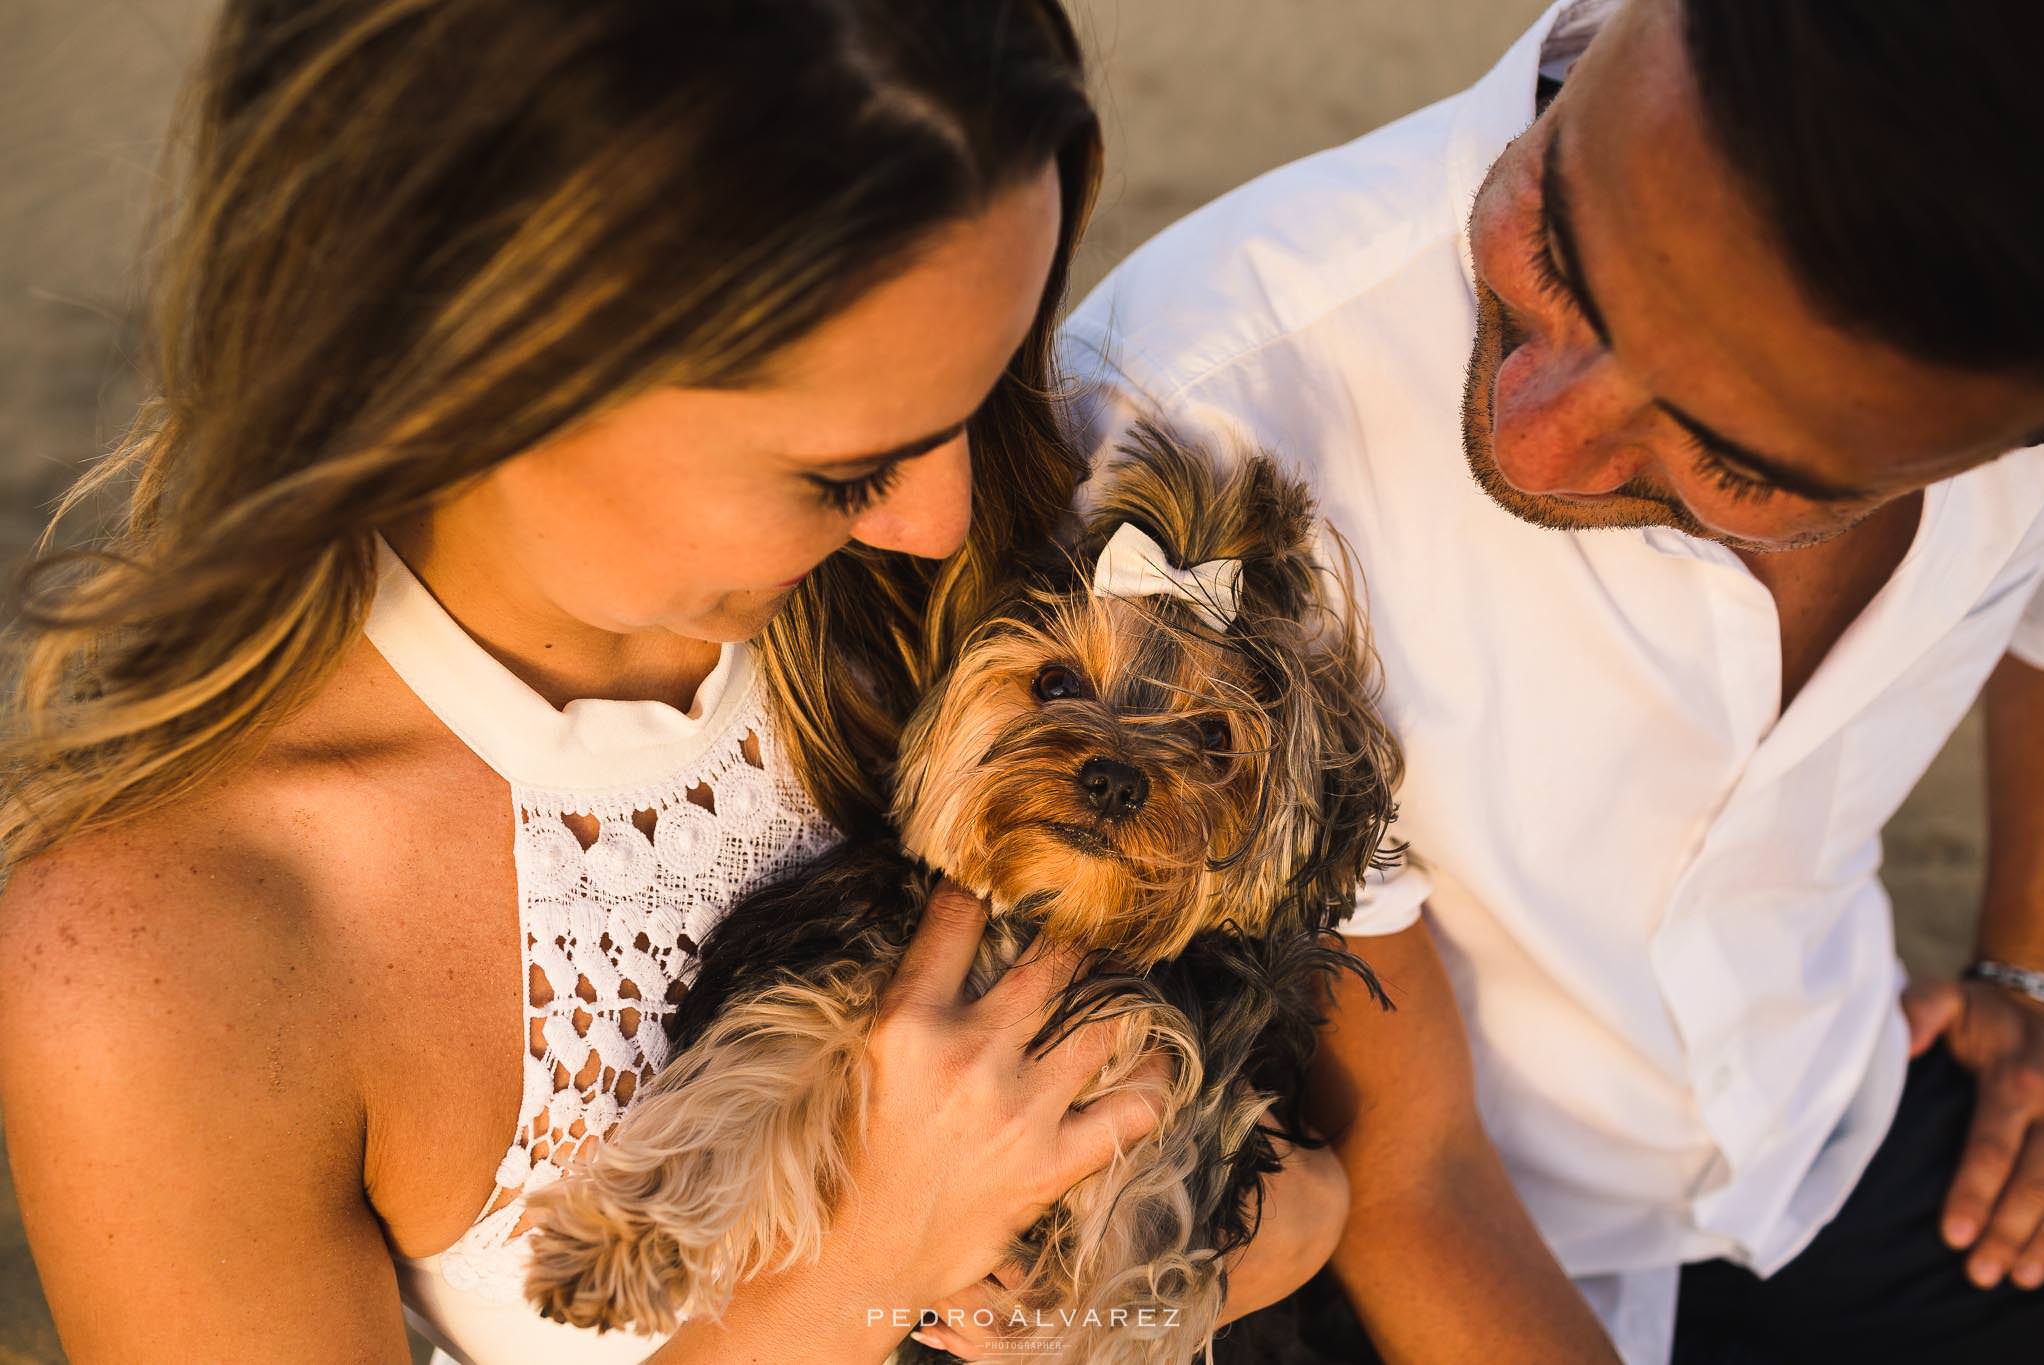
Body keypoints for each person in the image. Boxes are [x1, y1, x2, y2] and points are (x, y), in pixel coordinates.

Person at [0, 3, 1348, 1361]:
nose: (949, 521)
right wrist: (873, 1259)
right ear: (489, 364)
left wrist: (1185, 1230)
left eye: (985, 392)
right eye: (841, 469)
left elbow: (1324, 1189)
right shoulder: (159, 957)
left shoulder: (987, 585)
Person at [1062, 0, 2044, 1361]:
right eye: (1554, 240)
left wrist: (2030, 960)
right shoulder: (1213, 415)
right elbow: (1411, 1163)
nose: (1530, 446)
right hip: (1402, 1252)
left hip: (1830, 1116)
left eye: (1736, 469)